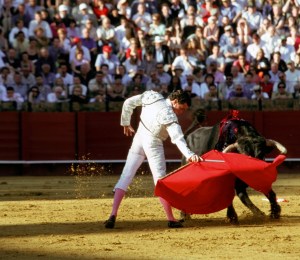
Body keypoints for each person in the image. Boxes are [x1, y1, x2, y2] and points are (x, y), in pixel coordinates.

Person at [104, 90, 203, 229]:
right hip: (153, 143)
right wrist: (190, 155)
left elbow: (128, 103)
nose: (181, 112)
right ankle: (171, 219)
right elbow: (178, 139)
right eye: (181, 108)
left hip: (139, 138)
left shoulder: (152, 97)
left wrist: (125, 123)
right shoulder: (169, 115)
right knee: (160, 180)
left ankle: (112, 214)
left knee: (126, 175)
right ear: (174, 102)